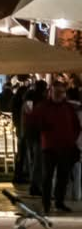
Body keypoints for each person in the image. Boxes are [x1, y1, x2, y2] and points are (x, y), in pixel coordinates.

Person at [26, 80, 81, 213]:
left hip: (65, 147)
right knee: (47, 177)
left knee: (63, 177)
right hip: (49, 147)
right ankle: (46, 203)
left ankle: (59, 202)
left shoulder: (67, 108)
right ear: (51, 92)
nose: (59, 95)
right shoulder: (43, 107)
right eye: (57, 92)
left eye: (61, 92)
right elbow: (33, 123)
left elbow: (76, 126)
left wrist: (71, 140)